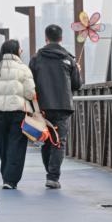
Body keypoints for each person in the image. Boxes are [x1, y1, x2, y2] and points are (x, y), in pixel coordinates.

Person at [29, 24, 82, 190]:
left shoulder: (36, 58)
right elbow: (77, 84)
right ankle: (53, 177)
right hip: (62, 106)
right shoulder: (68, 59)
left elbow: (30, 83)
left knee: (46, 140)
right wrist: (77, 71)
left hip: (42, 106)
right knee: (59, 141)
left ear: (46, 38)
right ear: (61, 38)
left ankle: (50, 173)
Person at [0, 39, 35, 189]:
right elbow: (30, 92)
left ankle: (6, 176)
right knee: (17, 145)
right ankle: (11, 180)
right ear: (16, 51)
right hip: (18, 112)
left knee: (2, 145)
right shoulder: (23, 68)